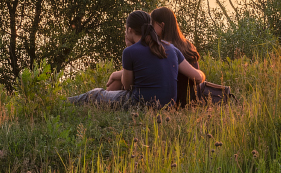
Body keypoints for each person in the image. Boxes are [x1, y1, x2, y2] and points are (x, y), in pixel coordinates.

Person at [69, 9, 205, 107]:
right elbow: (198, 77)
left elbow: (127, 86)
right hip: (168, 105)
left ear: (129, 30)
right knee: (108, 92)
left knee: (95, 94)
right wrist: (201, 73)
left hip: (140, 105)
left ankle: (64, 102)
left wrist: (129, 49)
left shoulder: (130, 52)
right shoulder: (171, 48)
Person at [150, 6, 202, 106]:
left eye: (152, 24)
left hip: (168, 101)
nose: (150, 28)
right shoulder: (188, 46)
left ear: (162, 25)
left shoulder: (161, 49)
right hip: (188, 100)